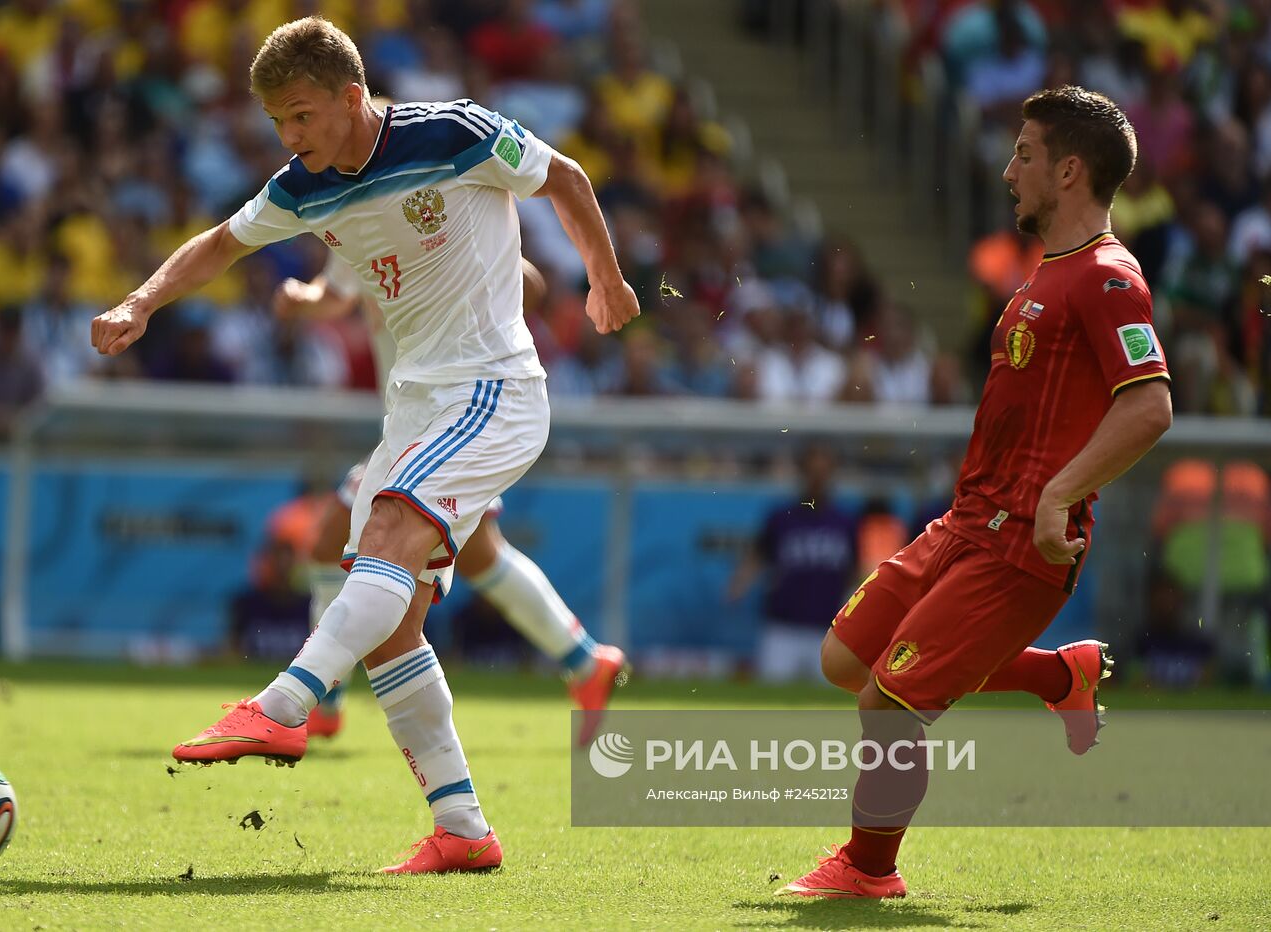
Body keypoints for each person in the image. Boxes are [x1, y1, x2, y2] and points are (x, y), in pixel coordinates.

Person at [90, 16, 639, 874]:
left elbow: (563, 178)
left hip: (490, 389)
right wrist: (141, 302)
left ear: (352, 96)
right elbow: (220, 246)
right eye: (278, 122)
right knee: (389, 619)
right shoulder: (306, 187)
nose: (290, 137)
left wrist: (605, 278)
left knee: (382, 539)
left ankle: (286, 701)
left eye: (303, 116)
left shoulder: (454, 130)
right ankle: (462, 829)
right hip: (413, 410)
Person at [777, 86, 1172, 900]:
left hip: (1022, 543)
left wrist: (1063, 494)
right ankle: (1060, 678)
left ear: (1068, 171)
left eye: (1023, 155)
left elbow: (1151, 405)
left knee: (888, 705)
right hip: (964, 523)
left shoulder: (1107, 280)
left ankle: (867, 870)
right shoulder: (1044, 274)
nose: (1007, 170)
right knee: (845, 660)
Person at [273, 254, 628, 748]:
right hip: (413, 426)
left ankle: (321, 703)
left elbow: (531, 286)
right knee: (482, 556)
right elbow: (335, 292)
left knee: (334, 544)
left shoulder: (430, 210)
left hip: (451, 422)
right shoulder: (357, 217)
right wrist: (300, 298)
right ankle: (586, 661)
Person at [729, 446, 858, 683]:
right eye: (812, 471)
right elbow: (759, 555)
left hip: (828, 628)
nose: (817, 478)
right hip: (782, 626)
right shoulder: (781, 517)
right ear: (802, 472)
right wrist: (739, 584)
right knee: (771, 698)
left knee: (826, 705)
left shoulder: (846, 521)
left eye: (823, 471)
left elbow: (855, 569)